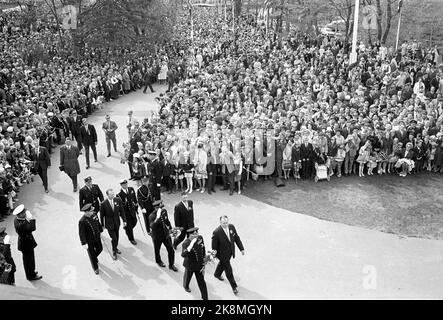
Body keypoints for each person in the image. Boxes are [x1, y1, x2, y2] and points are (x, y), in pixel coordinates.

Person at [211, 215, 244, 295]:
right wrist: (214, 254)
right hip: (222, 254)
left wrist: (241, 249)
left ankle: (217, 274)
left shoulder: (232, 227)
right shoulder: (216, 232)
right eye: (223, 223)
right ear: (220, 222)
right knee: (229, 270)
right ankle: (234, 287)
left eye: (226, 222)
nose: (225, 224)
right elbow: (214, 246)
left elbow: (236, 238)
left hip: (230, 252)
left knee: (222, 264)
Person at [13, 204, 42, 281]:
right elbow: (32, 228)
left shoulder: (18, 220)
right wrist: (31, 218)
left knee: (30, 259)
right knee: (28, 261)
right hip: (26, 244)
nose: (25, 213)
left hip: (26, 243)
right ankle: (30, 276)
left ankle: (31, 272)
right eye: (24, 212)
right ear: (20, 214)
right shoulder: (20, 224)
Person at [148, 200, 178, 271]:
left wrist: (170, 229)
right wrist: (157, 218)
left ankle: (171, 264)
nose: (162, 209)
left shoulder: (164, 211)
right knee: (157, 250)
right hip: (157, 236)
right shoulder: (152, 216)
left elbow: (167, 221)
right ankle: (158, 261)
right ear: (156, 208)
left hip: (165, 235)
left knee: (171, 250)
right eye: (160, 208)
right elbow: (152, 226)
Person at [181, 227, 208, 300]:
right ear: (190, 235)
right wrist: (189, 247)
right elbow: (183, 255)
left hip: (199, 264)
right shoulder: (186, 243)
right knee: (187, 277)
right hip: (190, 264)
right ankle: (186, 286)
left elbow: (203, 248)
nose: (197, 235)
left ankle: (205, 297)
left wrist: (204, 258)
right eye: (194, 234)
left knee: (201, 282)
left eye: (197, 233)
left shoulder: (200, 238)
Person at [99, 189, 126, 260]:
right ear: (107, 195)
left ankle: (115, 247)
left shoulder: (117, 200)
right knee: (114, 238)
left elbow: (122, 210)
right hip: (109, 224)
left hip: (117, 223)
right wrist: (102, 225)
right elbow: (102, 215)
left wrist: (124, 220)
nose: (113, 196)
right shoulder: (103, 204)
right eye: (111, 195)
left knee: (117, 237)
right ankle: (114, 251)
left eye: (113, 194)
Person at [78, 203, 103, 275]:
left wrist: (100, 229)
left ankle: (94, 258)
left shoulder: (94, 214)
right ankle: (95, 268)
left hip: (97, 237)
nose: (93, 211)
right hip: (89, 241)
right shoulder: (82, 221)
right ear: (87, 212)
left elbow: (98, 223)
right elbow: (81, 233)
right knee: (91, 254)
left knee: (100, 249)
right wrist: (83, 243)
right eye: (91, 210)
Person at [117, 179, 138, 245]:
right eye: (123, 184)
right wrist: (122, 216)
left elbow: (134, 198)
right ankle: (131, 238)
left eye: (126, 184)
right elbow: (120, 207)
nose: (125, 185)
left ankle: (127, 229)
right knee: (129, 226)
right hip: (126, 213)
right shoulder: (119, 195)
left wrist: (136, 207)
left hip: (132, 210)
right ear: (121, 185)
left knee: (134, 222)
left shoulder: (131, 189)